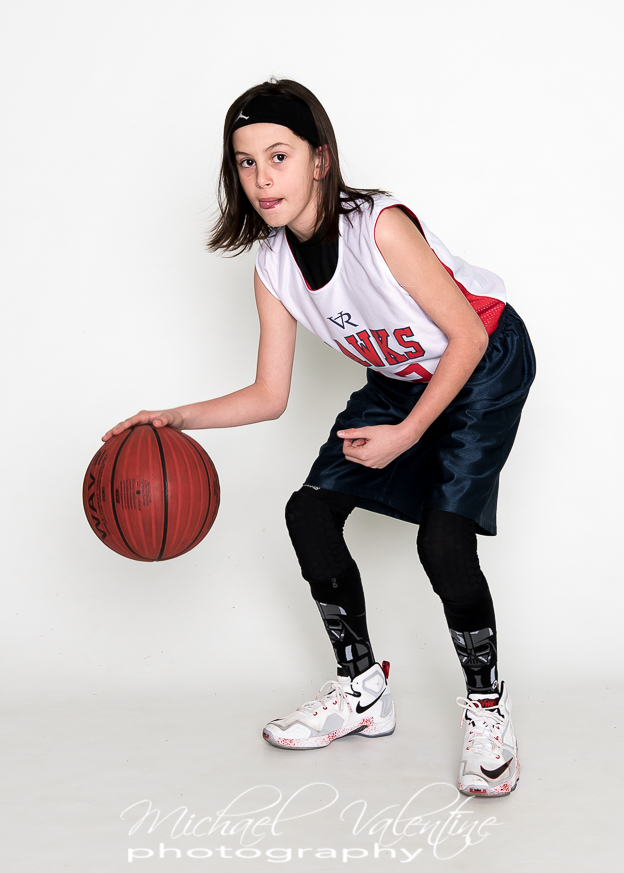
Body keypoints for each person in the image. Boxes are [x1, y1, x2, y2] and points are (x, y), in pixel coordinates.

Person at [103, 78, 536, 797]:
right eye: (245, 162)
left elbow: (465, 335)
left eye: (279, 156)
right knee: (308, 511)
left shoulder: (380, 227)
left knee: (443, 541)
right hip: (401, 378)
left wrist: (408, 434)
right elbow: (269, 396)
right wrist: (173, 418)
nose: (261, 178)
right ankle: (362, 690)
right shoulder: (273, 265)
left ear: (320, 159)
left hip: (484, 360)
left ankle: (488, 707)